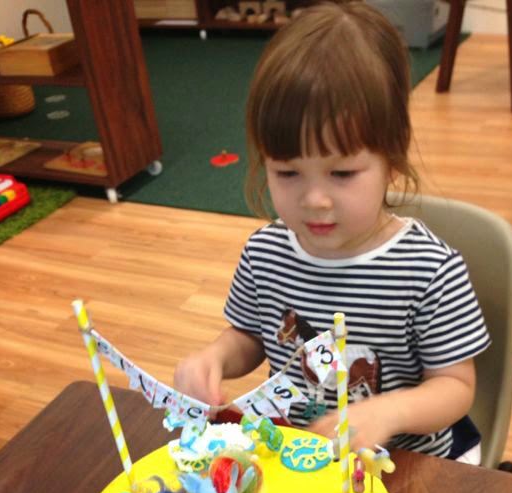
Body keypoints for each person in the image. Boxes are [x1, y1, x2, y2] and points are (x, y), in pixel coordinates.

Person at [174, 0, 490, 460]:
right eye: (287, 173)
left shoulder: (430, 270)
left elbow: (455, 386)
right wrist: (215, 358)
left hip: (403, 462)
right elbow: (250, 337)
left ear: (392, 158)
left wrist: (388, 413)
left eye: (341, 173)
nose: (314, 200)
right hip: (299, 455)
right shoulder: (265, 252)